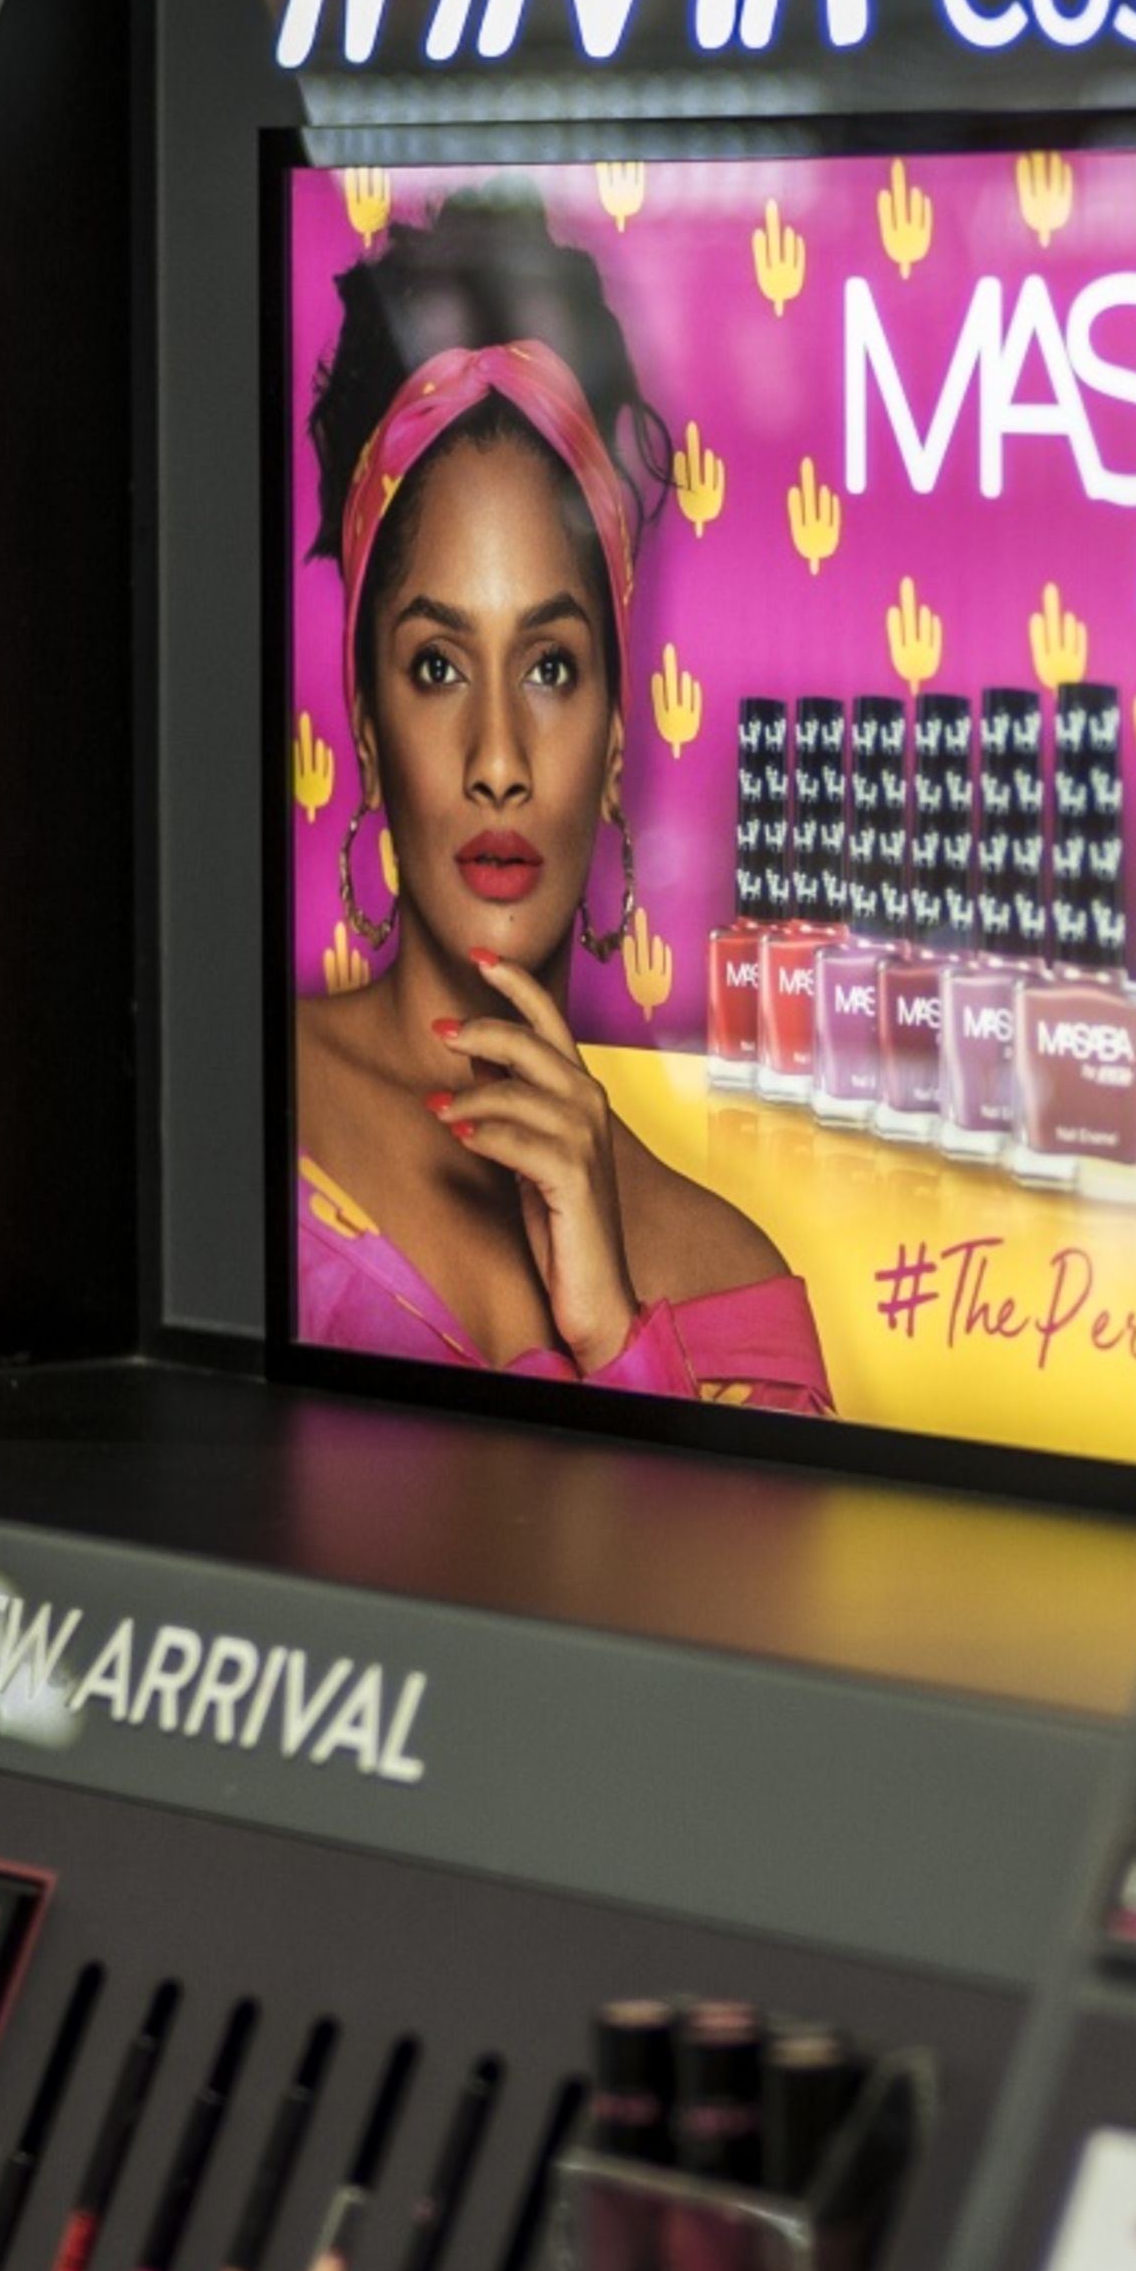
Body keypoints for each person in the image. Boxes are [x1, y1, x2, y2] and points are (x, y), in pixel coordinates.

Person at [290, 191, 831, 1412]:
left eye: (549, 668)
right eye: (437, 666)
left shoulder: (734, 1280)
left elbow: (749, 1602)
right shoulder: (238, 1113)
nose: (498, 757)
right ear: (368, 732)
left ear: (617, 738)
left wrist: (616, 1332)